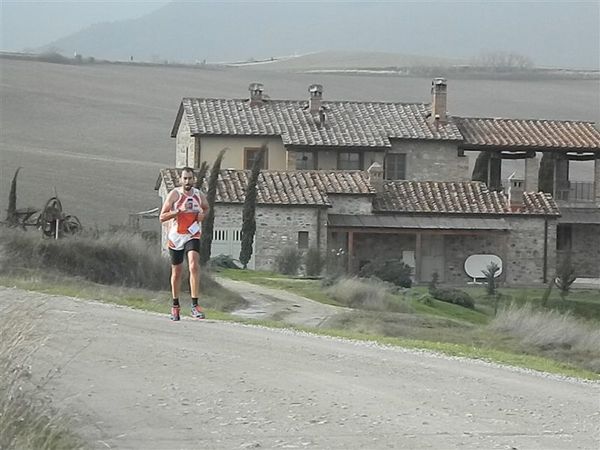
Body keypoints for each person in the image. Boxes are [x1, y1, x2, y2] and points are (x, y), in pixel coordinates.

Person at [159, 167, 209, 321]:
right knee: (177, 272)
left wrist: (202, 215)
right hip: (176, 237)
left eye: (190, 178)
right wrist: (177, 212)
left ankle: (195, 306)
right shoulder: (174, 194)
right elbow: (162, 217)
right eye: (185, 178)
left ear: (194, 179)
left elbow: (207, 209)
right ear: (180, 180)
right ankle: (175, 306)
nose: (187, 182)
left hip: (192, 234)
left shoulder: (198, 195)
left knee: (194, 265)